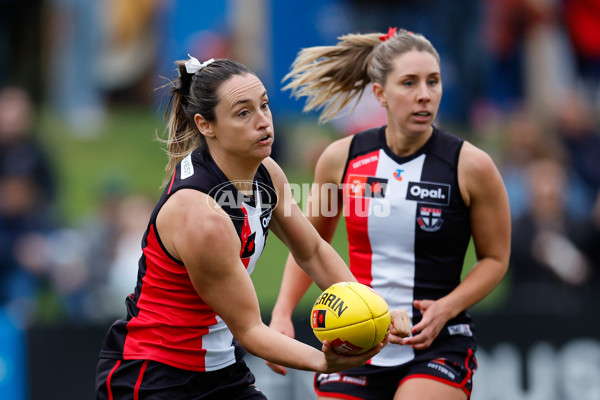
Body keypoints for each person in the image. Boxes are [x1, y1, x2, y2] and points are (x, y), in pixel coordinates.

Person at [95, 55, 411, 400]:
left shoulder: (266, 172)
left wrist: (373, 309)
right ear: (205, 125)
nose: (263, 122)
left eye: (264, 106)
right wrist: (324, 362)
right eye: (243, 113)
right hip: (153, 378)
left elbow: (313, 251)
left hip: (220, 372)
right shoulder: (201, 217)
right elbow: (249, 329)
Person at [267, 28, 511, 400]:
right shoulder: (341, 158)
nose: (425, 95)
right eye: (409, 83)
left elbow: (495, 258)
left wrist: (446, 308)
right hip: (356, 338)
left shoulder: (471, 166)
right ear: (380, 93)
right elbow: (309, 247)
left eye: (434, 81)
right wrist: (282, 313)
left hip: (437, 345)